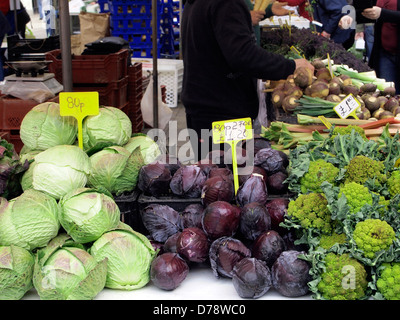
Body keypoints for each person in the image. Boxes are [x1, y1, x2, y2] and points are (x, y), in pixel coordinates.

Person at [181, 0, 314, 161]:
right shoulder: (227, 4)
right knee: (228, 175)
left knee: (212, 175)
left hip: (204, 106)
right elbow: (243, 55)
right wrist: (290, 66)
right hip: (222, 112)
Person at [362, 2, 400, 93]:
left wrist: (382, 13)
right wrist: (349, 16)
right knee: (387, 95)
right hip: (384, 53)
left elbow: (381, 13)